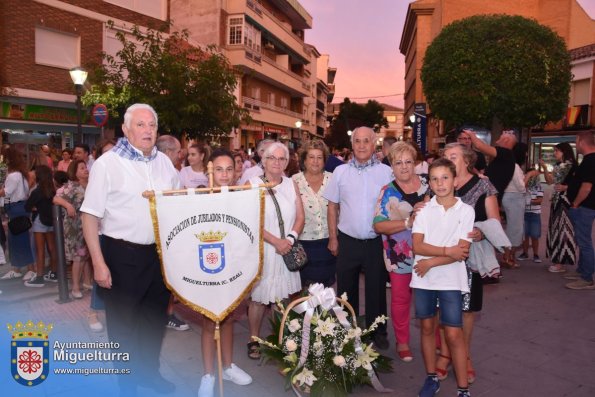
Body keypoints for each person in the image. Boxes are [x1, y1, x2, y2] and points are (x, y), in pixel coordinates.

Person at [81, 103, 179, 395]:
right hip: (122, 255)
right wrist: (98, 264)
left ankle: (149, 374)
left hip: (158, 256)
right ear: (125, 129)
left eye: (152, 125)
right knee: (124, 325)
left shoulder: (165, 163)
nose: (148, 130)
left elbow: (175, 206)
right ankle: (126, 384)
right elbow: (89, 216)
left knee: (154, 319)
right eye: (140, 124)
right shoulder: (107, 164)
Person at [323, 126, 393, 349]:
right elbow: (332, 206)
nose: (361, 145)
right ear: (351, 145)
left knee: (376, 288)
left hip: (375, 241)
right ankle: (347, 329)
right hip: (348, 240)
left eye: (366, 141)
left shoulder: (386, 172)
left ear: (374, 145)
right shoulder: (340, 172)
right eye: (357, 141)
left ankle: (377, 330)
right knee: (345, 289)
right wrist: (333, 237)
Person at [410, 157, 474, 397]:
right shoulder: (424, 210)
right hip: (423, 277)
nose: (440, 183)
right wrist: (446, 252)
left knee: (454, 332)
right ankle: (431, 377)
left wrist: (431, 262)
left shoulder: (466, 211)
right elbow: (417, 246)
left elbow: (462, 251)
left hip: (450, 279)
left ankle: (463, 389)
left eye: (445, 177)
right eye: (434, 179)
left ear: (455, 181)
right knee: (427, 326)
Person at [437, 143, 500, 385]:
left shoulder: (483, 184)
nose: (448, 159)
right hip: (442, 257)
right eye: (445, 156)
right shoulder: (440, 182)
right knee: (443, 309)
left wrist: (481, 233)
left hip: (468, 259)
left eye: (453, 156)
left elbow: (494, 220)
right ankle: (445, 354)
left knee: (466, 311)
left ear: (467, 160)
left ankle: (466, 357)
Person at [198, 149, 252, 397]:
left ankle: (228, 366)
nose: (224, 174)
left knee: (228, 317)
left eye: (229, 169)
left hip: (233, 266)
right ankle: (208, 374)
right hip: (208, 266)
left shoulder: (242, 196)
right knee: (210, 320)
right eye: (219, 169)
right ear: (210, 170)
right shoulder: (199, 195)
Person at [246, 142, 304, 360]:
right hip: (265, 249)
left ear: (287, 162)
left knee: (283, 297)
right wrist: (275, 242)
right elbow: (249, 220)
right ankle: (253, 339)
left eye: (282, 159)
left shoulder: (291, 184)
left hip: (286, 247)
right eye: (273, 158)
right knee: (259, 299)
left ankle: (278, 338)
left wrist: (289, 239)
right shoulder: (252, 184)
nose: (277, 163)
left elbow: (300, 217)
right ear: (264, 160)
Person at [373, 141, 429, 362]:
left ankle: (434, 339)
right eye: (398, 163)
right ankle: (403, 341)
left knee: (430, 299)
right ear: (392, 167)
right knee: (400, 299)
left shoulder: (429, 184)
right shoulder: (387, 191)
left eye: (408, 162)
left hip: (430, 253)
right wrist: (408, 222)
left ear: (415, 163)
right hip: (400, 255)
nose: (404, 167)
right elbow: (378, 225)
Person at [156, 135, 190, 331]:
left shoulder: (171, 171)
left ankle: (165, 313)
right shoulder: (164, 171)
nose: (181, 155)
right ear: (168, 152)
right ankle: (164, 314)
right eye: (178, 151)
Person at [292, 139, 336, 287]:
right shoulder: (293, 181)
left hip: (328, 243)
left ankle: (323, 312)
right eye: (311, 157)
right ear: (304, 160)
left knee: (325, 291)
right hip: (302, 243)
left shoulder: (333, 179)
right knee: (303, 291)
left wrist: (335, 239)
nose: (315, 161)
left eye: (319, 157)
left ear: (324, 160)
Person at [539, 143, 577, 273]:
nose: (555, 153)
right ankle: (558, 260)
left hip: (564, 202)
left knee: (563, 231)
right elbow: (551, 181)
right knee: (556, 230)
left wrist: (566, 187)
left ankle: (561, 262)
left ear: (564, 151)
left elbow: (554, 180)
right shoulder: (560, 166)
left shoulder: (569, 165)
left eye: (557, 151)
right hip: (557, 201)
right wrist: (544, 168)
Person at [54, 160, 89, 298]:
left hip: (87, 226)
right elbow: (56, 199)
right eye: (81, 168)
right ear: (75, 172)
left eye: (85, 167)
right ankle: (75, 287)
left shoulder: (90, 185)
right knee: (78, 257)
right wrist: (68, 206)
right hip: (74, 227)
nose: (85, 169)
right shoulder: (72, 186)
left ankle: (85, 283)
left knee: (84, 256)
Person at [565, 131, 595, 290]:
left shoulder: (590, 161)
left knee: (584, 242)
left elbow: (586, 187)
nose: (575, 145)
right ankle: (582, 271)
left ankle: (587, 277)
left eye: (576, 141)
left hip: (585, 207)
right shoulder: (588, 160)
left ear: (582, 141)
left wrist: (576, 203)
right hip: (585, 207)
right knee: (582, 240)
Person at [0, 147, 34, 280]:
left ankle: (30, 269)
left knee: (19, 240)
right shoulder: (21, 174)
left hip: (16, 209)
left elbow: (7, 192)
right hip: (18, 207)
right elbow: (11, 194)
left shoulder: (14, 175)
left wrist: (3, 201)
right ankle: (18, 268)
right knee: (17, 240)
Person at [24, 165, 57, 287]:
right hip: (52, 221)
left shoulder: (37, 191)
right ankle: (54, 274)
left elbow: (27, 206)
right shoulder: (53, 190)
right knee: (52, 248)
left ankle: (39, 277)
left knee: (40, 249)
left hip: (39, 221)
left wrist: (35, 207)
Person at [465, 129, 516, 203]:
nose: (503, 132)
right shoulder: (507, 156)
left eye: (507, 133)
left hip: (489, 198)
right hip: (489, 196)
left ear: (506, 140)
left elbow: (480, 146)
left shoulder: (505, 153)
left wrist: (471, 134)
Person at [500, 160, 526, 268]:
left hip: (512, 197)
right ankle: (507, 257)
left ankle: (510, 256)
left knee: (515, 228)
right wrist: (529, 175)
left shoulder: (509, 165)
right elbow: (521, 187)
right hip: (514, 197)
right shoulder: (514, 166)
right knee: (515, 229)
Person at [517, 168, 544, 263]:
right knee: (525, 235)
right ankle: (525, 253)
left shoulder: (538, 187)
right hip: (524, 213)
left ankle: (536, 254)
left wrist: (530, 201)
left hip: (534, 214)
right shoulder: (523, 187)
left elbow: (540, 200)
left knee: (535, 235)